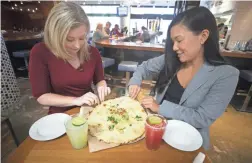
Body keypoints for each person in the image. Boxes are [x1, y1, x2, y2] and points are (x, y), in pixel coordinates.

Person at [128, 7, 239, 150]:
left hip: (188, 143)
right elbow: (144, 67)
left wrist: (160, 107)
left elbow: (202, 118)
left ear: (203, 36)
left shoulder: (226, 75)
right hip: (155, 130)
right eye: (173, 41)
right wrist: (135, 82)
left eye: (179, 40)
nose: (174, 47)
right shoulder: (172, 59)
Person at [29, 2, 111, 114]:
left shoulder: (93, 52)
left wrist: (102, 87)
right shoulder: (41, 52)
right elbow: (41, 96)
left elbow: (100, 80)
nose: (77, 45)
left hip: (87, 110)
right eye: (69, 39)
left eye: (82, 38)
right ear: (55, 35)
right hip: (60, 115)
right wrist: (76, 100)